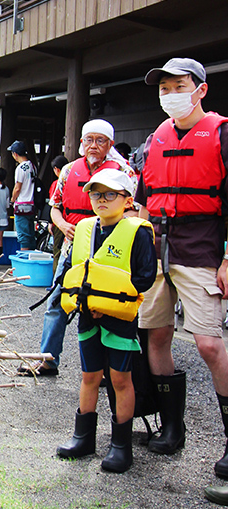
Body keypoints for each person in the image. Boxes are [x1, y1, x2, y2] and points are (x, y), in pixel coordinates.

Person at [134, 58, 228, 506]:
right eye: (164, 86)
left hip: (202, 246)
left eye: (179, 85)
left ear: (201, 90)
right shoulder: (156, 138)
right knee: (156, 334)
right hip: (157, 247)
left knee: (209, 343)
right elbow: (140, 201)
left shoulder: (223, 134)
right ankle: (174, 426)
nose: (170, 92)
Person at [56, 169, 157, 472]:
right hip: (88, 317)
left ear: (127, 200)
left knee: (120, 380)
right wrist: (88, 305)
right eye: (96, 194)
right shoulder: (85, 229)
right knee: (89, 377)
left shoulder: (138, 232)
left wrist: (108, 306)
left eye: (110, 194)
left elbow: (144, 277)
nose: (102, 200)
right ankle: (83, 438)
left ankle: (120, 446)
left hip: (120, 321)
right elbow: (72, 271)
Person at [18, 120, 132, 377]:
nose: (93, 145)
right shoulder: (69, 171)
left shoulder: (123, 171)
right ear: (81, 143)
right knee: (57, 301)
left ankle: (105, 369)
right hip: (73, 248)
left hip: (109, 251)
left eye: (100, 140)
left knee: (105, 305)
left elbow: (132, 210)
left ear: (110, 144)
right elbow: (55, 207)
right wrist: (64, 226)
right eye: (88, 140)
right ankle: (47, 359)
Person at [9, 140, 36, 250]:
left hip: (21, 205)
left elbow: (17, 188)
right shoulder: (33, 166)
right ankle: (31, 257)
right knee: (30, 234)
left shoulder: (20, 168)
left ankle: (24, 259)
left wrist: (12, 200)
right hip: (31, 205)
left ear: (15, 154)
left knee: (23, 236)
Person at [48, 154, 68, 272]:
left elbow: (54, 204)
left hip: (59, 221)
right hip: (72, 220)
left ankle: (55, 282)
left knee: (57, 252)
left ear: (57, 169)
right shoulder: (74, 180)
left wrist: (51, 222)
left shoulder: (57, 184)